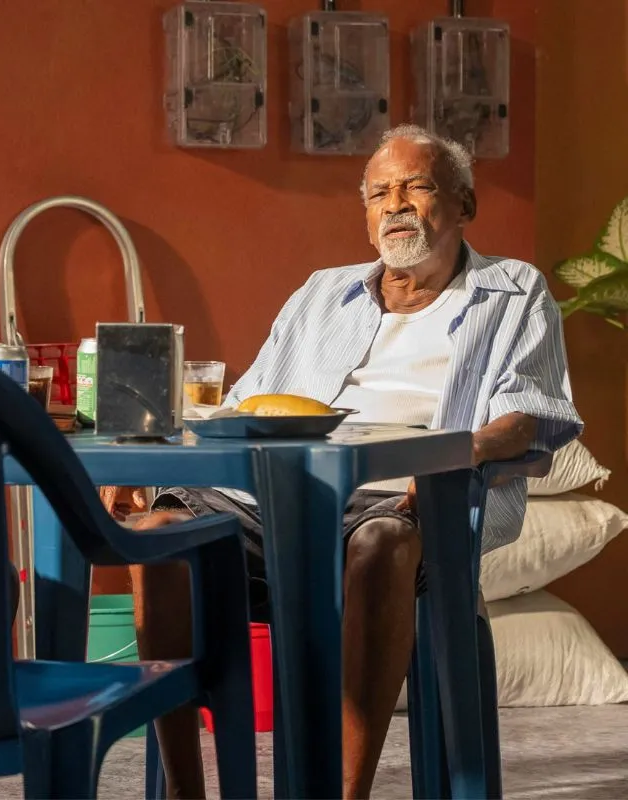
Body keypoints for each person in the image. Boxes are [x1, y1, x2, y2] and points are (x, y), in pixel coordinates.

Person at [106, 124, 583, 799]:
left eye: (417, 187)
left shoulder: (512, 291)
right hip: (276, 502)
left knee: (383, 542)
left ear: (465, 204)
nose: (395, 206)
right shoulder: (319, 294)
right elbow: (245, 407)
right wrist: (153, 461)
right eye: (379, 194)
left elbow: (527, 418)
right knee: (160, 535)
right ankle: (185, 790)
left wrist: (443, 459)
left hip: (410, 504)